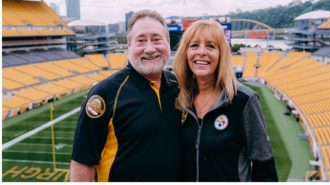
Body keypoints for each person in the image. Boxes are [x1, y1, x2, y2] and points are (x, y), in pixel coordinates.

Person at [70, 10, 181, 181]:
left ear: (167, 42)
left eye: (157, 39)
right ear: (129, 45)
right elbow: (83, 162)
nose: (150, 48)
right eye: (141, 40)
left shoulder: (177, 85)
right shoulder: (105, 93)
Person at [174, 20, 276, 181]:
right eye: (194, 45)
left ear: (222, 54)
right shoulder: (179, 99)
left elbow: (264, 164)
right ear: (185, 53)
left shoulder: (244, 100)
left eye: (211, 46)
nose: (201, 52)